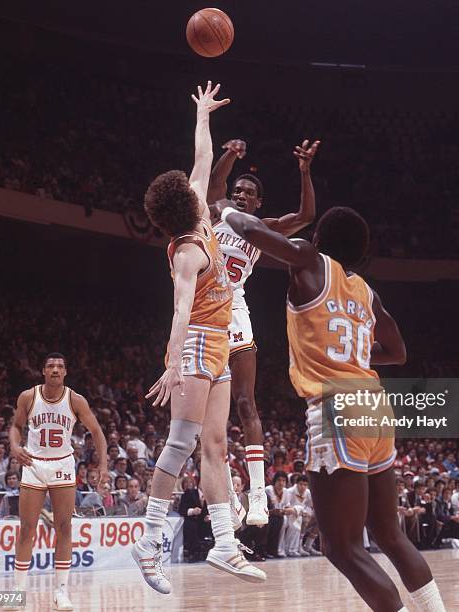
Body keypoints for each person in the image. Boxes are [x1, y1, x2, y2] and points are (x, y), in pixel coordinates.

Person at [216, 203, 446, 612]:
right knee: (390, 534)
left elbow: (250, 229)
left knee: (340, 546)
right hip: (375, 405)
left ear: (319, 239)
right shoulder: (366, 292)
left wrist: (224, 209)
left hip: (338, 408)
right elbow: (398, 352)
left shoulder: (309, 258)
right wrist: (353, 356)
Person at [130, 81, 265, 595]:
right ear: (179, 210)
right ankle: (150, 539)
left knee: (214, 442)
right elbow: (181, 308)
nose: (197, 186)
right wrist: (171, 363)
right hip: (193, 344)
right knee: (181, 441)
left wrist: (203, 115)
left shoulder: (200, 210)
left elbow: (203, 156)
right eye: (188, 190)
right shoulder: (186, 249)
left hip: (219, 344)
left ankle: (225, 543)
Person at [207, 136, 320, 525]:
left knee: (245, 404)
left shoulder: (263, 227)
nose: (240, 194)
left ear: (258, 203)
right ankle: (230, 499)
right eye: (237, 189)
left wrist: (304, 171)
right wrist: (231, 153)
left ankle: (259, 497)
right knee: (206, 417)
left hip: (234, 311)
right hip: (202, 312)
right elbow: (213, 187)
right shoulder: (217, 211)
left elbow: (306, 214)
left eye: (248, 192)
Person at [5, 353, 109, 611]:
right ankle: (18, 591)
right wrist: (14, 445)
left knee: (64, 527)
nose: (55, 369)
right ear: (43, 371)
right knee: (27, 528)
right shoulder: (28, 396)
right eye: (50, 366)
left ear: (65, 372)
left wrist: (104, 465)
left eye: (60, 366)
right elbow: (16, 426)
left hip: (62, 464)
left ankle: (61, 591)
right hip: (33, 464)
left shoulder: (76, 400)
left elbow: (97, 432)